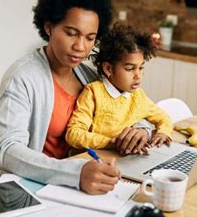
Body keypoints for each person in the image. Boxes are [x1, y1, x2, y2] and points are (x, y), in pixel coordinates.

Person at [0, 0, 152, 195]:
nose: (81, 47)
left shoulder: (89, 77)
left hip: (71, 188)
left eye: (90, 38)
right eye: (71, 33)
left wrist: (141, 130)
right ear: (49, 26)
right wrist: (75, 173)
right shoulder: (22, 77)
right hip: (23, 189)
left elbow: (131, 106)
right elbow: (8, 150)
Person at [66, 24, 173, 154]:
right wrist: (113, 142)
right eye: (130, 69)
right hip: (93, 159)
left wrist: (162, 133)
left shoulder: (138, 96)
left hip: (123, 158)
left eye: (141, 68)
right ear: (108, 69)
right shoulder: (94, 92)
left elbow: (164, 118)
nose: (138, 75)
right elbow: (73, 134)